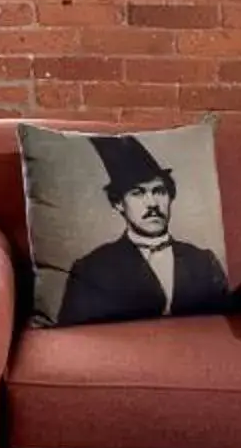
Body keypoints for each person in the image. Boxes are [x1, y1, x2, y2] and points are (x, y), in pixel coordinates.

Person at [57, 133, 229, 325]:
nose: (152, 203)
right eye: (138, 193)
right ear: (118, 203)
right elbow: (74, 337)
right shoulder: (92, 269)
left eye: (159, 191)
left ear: (170, 197)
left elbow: (227, 323)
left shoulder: (203, 262)